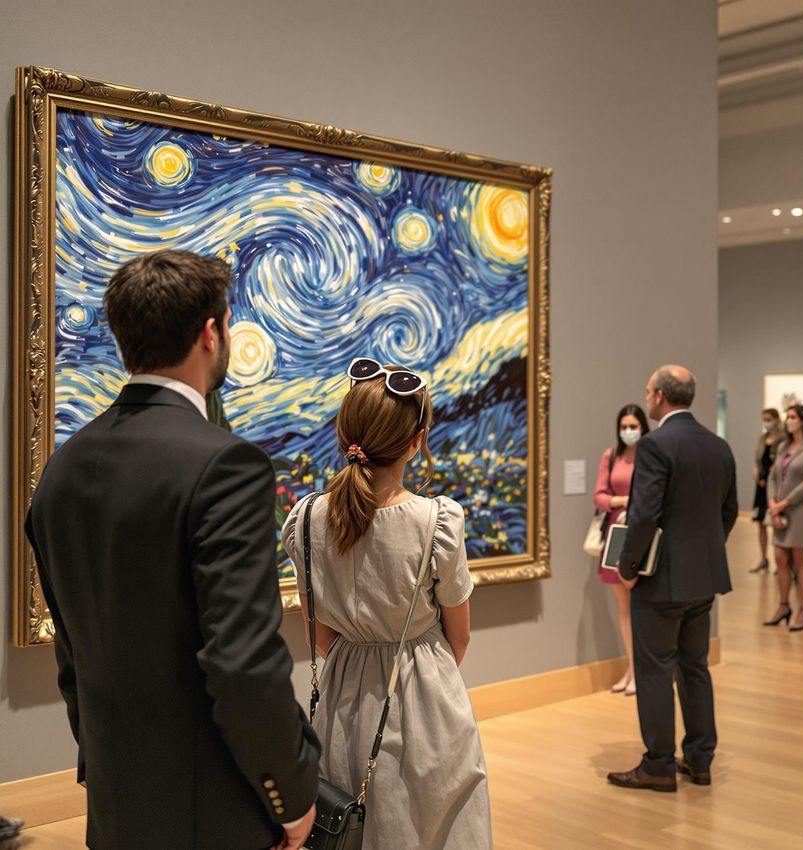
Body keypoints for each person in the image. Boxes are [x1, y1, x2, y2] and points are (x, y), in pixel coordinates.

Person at [25, 251, 320, 849]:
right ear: (210, 334)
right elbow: (243, 662)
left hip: (116, 803)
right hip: (212, 811)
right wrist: (289, 795)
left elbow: (73, 658)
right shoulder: (225, 464)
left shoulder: (62, 467)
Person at [285, 358, 491, 848]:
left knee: (347, 822)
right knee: (428, 825)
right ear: (416, 442)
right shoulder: (436, 521)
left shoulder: (308, 518)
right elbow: (457, 637)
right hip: (423, 694)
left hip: (341, 697)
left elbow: (320, 636)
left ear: (344, 433)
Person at [607, 365, 737, 793]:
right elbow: (729, 512)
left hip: (661, 580)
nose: (647, 396)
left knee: (655, 671)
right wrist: (703, 553)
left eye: (648, 391)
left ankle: (659, 764)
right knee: (694, 667)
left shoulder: (656, 445)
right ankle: (700, 760)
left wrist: (627, 567)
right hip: (703, 578)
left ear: (660, 396)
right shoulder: (718, 446)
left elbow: (644, 516)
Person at [594, 404, 651, 695]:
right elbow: (600, 496)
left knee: (642, 605)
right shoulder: (611, 455)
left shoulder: (652, 454)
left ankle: (641, 670)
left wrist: (633, 502)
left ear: (643, 426)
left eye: (634, 426)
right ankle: (632, 667)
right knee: (624, 608)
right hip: (616, 533)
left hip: (642, 532)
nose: (629, 431)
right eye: (624, 426)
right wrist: (621, 502)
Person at [763, 405, 803, 632]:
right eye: (787, 417)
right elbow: (772, 477)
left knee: (800, 560)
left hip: (801, 511)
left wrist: (784, 503)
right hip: (779, 508)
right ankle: (783, 605)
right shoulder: (783, 446)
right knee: (780, 557)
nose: (787, 421)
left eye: (792, 417)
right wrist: (772, 504)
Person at [749, 408, 784, 574]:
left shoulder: (784, 439)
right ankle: (763, 559)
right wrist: (756, 473)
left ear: (776, 419)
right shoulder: (761, 439)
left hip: (777, 487)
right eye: (764, 419)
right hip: (761, 487)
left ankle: (782, 562)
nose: (766, 422)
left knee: (777, 523)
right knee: (760, 523)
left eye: (769, 419)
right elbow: (757, 461)